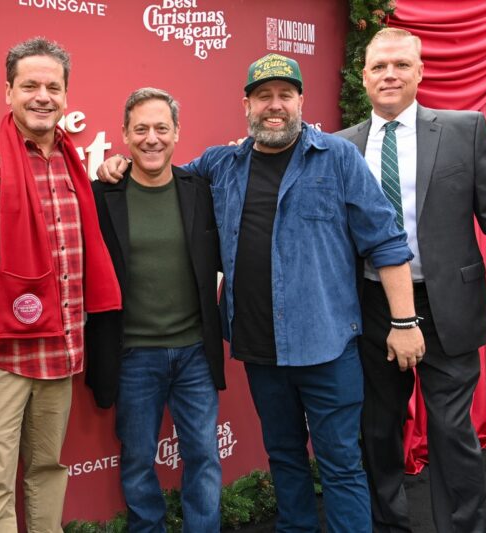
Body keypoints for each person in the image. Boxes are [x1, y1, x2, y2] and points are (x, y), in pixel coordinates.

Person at [97, 53, 425, 533]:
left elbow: (386, 242)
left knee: (340, 464)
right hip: (260, 349)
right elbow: (160, 170)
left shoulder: (337, 157)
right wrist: (118, 165)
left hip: (327, 347)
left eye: (284, 96)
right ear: (246, 104)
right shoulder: (221, 163)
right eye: (263, 96)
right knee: (285, 456)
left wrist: (403, 322)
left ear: (300, 101)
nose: (274, 106)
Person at [337, 27, 486, 533]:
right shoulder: (340, 147)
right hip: (369, 307)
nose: (390, 74)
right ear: (364, 77)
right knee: (377, 431)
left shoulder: (463, 129)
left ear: (420, 72)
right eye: (379, 66)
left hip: (447, 304)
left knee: (452, 433)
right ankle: (389, 526)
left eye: (401, 65)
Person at [0, 37, 121, 532]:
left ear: (66, 96)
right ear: (8, 92)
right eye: (30, 86)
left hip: (60, 355)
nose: (42, 96)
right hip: (0, 360)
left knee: (47, 470)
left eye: (53, 87)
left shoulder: (72, 161)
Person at [86, 88, 225, 532]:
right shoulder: (101, 195)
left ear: (177, 133)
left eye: (161, 128)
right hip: (134, 355)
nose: (151, 139)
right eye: (141, 129)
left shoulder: (199, 190)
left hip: (194, 355)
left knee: (203, 454)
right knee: (138, 458)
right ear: (124, 135)